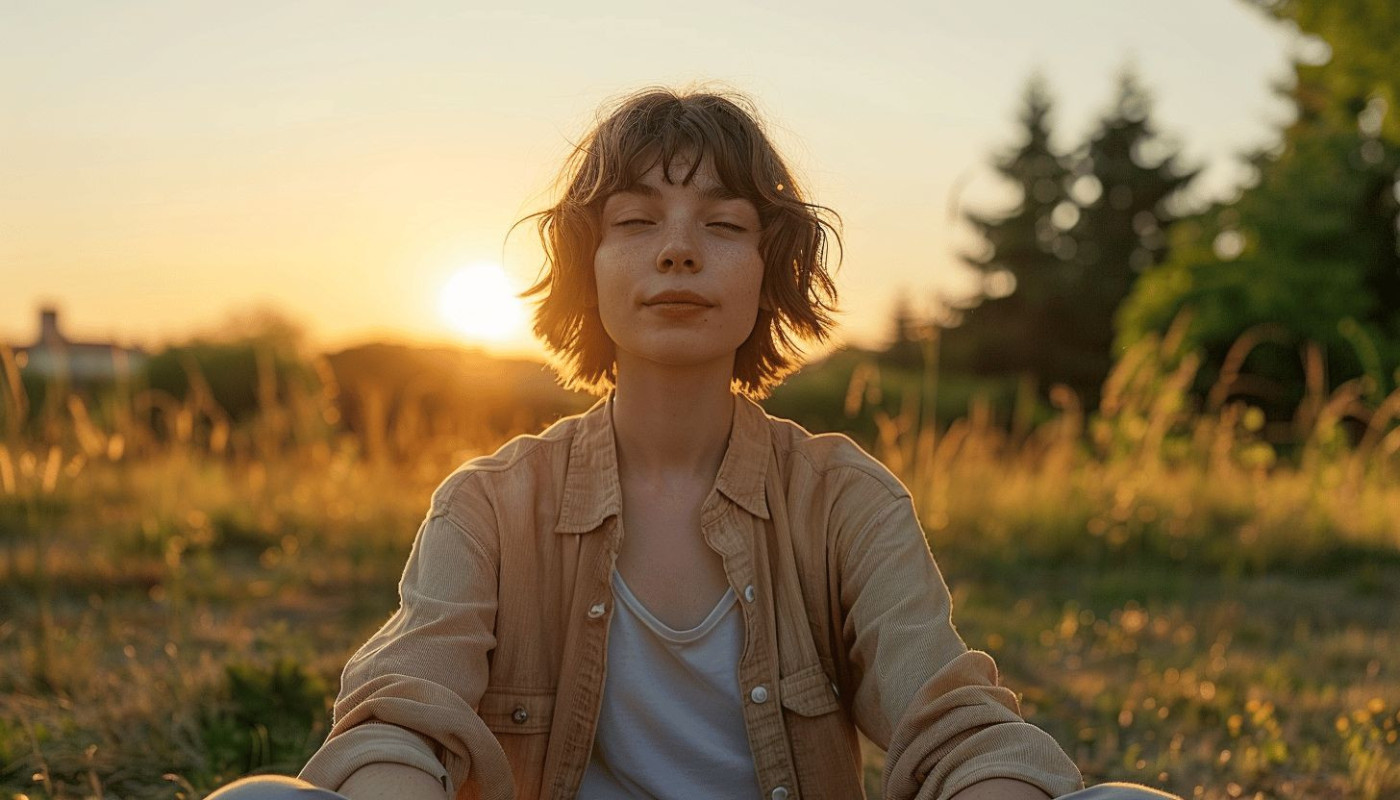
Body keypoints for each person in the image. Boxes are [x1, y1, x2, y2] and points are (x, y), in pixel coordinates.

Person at [209, 88, 1181, 800]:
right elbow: (401, 713)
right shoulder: (488, 503)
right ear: (587, 269)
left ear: (769, 271)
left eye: (721, 223)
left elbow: (950, 720)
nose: (677, 248)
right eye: (636, 221)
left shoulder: (844, 498)